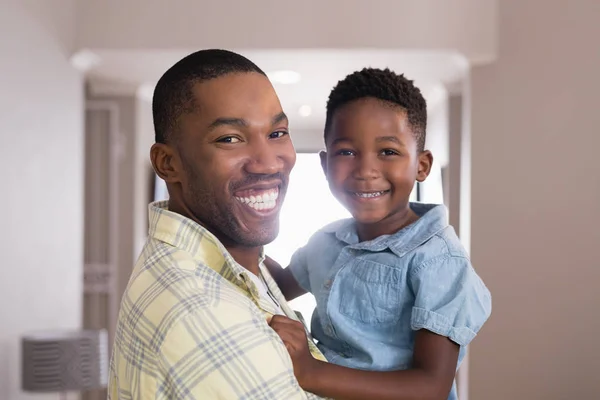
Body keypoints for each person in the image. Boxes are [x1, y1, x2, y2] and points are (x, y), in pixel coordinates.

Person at [108, 49, 327, 400]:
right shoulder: (202, 310)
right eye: (230, 138)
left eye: (277, 132)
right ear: (168, 163)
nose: (269, 163)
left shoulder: (233, 262)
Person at [266, 68, 492, 400]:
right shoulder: (325, 241)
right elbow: (274, 286)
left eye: (388, 152)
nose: (366, 170)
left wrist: (311, 371)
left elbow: (430, 386)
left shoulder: (439, 261)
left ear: (422, 165)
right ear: (325, 164)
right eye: (346, 152)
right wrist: (238, 234)